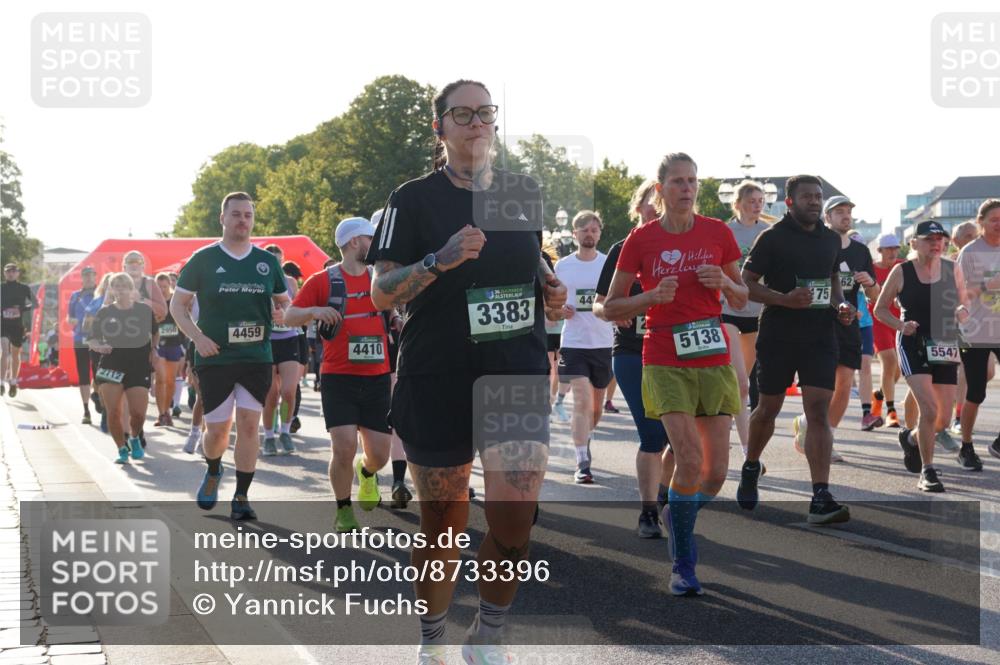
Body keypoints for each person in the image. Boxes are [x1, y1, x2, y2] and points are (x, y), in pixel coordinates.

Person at [365, 79, 566, 664]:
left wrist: (548, 290)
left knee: (515, 518)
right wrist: (439, 259)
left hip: (515, 371)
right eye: (462, 114)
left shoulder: (521, 193)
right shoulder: (412, 198)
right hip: (439, 373)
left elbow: (533, 266)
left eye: (485, 113)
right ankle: (433, 642)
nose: (477, 123)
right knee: (443, 522)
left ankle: (489, 637)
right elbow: (381, 293)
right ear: (441, 128)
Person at [604, 152, 746, 595]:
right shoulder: (640, 240)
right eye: (678, 181)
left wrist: (723, 284)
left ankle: (676, 512)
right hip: (663, 357)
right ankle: (683, 563)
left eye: (692, 181)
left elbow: (742, 298)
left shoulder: (718, 233)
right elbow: (610, 306)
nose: (686, 188)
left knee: (716, 472)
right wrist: (650, 298)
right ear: (661, 188)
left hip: (711, 357)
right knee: (688, 458)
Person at [737, 175, 855, 525]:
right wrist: (783, 299)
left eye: (818, 197)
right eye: (807, 197)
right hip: (778, 334)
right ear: (790, 202)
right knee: (767, 409)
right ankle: (751, 464)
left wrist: (841, 306)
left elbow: (833, 279)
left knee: (818, 412)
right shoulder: (772, 238)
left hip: (820, 335)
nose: (815, 202)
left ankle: (820, 496)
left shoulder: (831, 239)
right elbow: (746, 284)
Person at [171, 191, 290, 520]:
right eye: (236, 214)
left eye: (248, 215)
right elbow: (177, 306)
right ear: (222, 218)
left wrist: (285, 314)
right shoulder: (203, 259)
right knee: (218, 431)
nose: (242, 220)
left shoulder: (266, 262)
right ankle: (212, 469)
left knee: (250, 426)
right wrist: (198, 338)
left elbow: (285, 302)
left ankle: (241, 496)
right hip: (215, 357)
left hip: (256, 356)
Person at [286, 217, 395, 531]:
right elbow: (291, 316)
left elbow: (398, 307)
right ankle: (343, 509)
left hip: (376, 376)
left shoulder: (380, 278)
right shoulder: (323, 281)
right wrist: (315, 311)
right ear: (353, 242)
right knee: (343, 445)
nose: (374, 245)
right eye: (369, 239)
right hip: (338, 376)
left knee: (379, 455)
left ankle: (368, 473)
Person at [594, 178, 674, 539]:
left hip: (677, 351)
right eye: (649, 203)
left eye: (662, 202)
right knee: (653, 434)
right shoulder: (622, 248)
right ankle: (647, 512)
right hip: (631, 353)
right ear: (637, 207)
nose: (656, 209)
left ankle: (663, 495)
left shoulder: (684, 248)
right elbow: (599, 304)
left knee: (681, 437)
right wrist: (614, 311)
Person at [874, 220, 968, 491]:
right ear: (914, 243)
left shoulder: (952, 269)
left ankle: (913, 439)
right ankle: (927, 471)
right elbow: (880, 309)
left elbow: (964, 302)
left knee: (942, 420)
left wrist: (962, 311)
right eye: (929, 239)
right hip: (912, 342)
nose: (936, 244)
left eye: (940, 239)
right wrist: (901, 325)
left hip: (945, 342)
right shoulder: (902, 271)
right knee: (929, 409)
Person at [790, 196, 880, 458]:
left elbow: (875, 295)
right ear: (827, 217)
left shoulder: (860, 251)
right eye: (839, 212)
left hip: (848, 323)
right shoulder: (814, 244)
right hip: (816, 322)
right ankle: (811, 427)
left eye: (849, 211)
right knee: (821, 382)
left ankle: (824, 437)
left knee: (844, 383)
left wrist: (869, 282)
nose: (845, 216)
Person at [552, 210, 615, 484]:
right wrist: (558, 310)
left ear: (600, 233)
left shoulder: (609, 265)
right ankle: (582, 463)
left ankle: (584, 442)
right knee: (582, 400)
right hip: (573, 343)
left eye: (594, 230)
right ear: (575, 234)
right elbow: (551, 305)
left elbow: (619, 297)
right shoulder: (562, 266)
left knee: (596, 409)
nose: (589, 234)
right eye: (584, 230)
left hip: (603, 343)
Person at [87, 272, 157, 464]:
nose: (120, 290)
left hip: (138, 366)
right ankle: (121, 449)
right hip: (111, 365)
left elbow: (155, 333)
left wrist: (153, 353)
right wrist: (100, 346)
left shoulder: (143, 310)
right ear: (111, 289)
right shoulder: (105, 312)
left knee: (138, 413)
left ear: (131, 289)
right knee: (113, 412)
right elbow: (92, 339)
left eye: (124, 286)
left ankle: (134, 438)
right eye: (116, 286)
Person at [720, 181, 769, 456]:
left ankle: (724, 421)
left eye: (761, 200)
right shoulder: (726, 232)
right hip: (728, 310)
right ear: (737, 204)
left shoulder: (768, 233)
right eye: (752, 200)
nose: (757, 205)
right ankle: (747, 449)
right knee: (739, 381)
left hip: (757, 313)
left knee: (745, 381)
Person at [957, 199, 1000, 463]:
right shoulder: (971, 252)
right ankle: (966, 446)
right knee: (976, 391)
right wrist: (990, 284)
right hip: (975, 330)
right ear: (981, 222)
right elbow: (961, 293)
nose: (999, 224)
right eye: (994, 219)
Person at [949, 219, 988, 435]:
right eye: (969, 236)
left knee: (981, 375)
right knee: (963, 376)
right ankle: (954, 418)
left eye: (975, 235)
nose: (974, 240)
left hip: (988, 328)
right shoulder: (952, 261)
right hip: (960, 327)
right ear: (956, 240)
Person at [260, 244, 300, 456]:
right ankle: (268, 436)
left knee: (289, 391)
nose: (275, 264)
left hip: (288, 339)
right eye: (271, 260)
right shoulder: (258, 280)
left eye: (279, 260)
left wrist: (287, 312)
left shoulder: (290, 282)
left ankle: (285, 431)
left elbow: (298, 307)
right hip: (266, 341)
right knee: (271, 395)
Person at [870, 233, 905, 428]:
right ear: (880, 250)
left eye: (895, 248)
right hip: (878, 320)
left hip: (899, 322)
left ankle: (879, 395)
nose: (893, 252)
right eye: (888, 248)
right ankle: (891, 412)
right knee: (889, 361)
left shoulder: (902, 266)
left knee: (897, 372)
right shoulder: (872, 269)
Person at [154, 272, 187, 427]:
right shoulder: (153, 303)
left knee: (170, 381)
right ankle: (161, 414)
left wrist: (184, 348)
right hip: (159, 345)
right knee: (160, 380)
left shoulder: (175, 301)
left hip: (174, 344)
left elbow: (183, 324)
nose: (162, 290)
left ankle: (167, 410)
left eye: (165, 286)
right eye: (159, 287)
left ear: (170, 286)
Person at [67, 266, 99, 423]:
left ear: (95, 276)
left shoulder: (101, 294)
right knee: (84, 374)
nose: (88, 278)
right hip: (80, 339)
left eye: (91, 275)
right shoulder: (75, 296)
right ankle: (86, 410)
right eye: (85, 275)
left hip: (99, 339)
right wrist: (71, 321)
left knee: (99, 373)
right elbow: (69, 317)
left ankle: (97, 396)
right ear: (82, 277)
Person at [1, 263, 37, 398]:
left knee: (15, 354)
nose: (10, 273)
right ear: (4, 273)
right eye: (8, 271)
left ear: (17, 273)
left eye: (13, 271)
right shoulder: (1, 288)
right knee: (4, 351)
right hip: (2, 324)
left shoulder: (24, 288)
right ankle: (1, 382)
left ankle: (13, 381)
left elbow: (35, 303)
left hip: (17, 325)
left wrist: (21, 309)